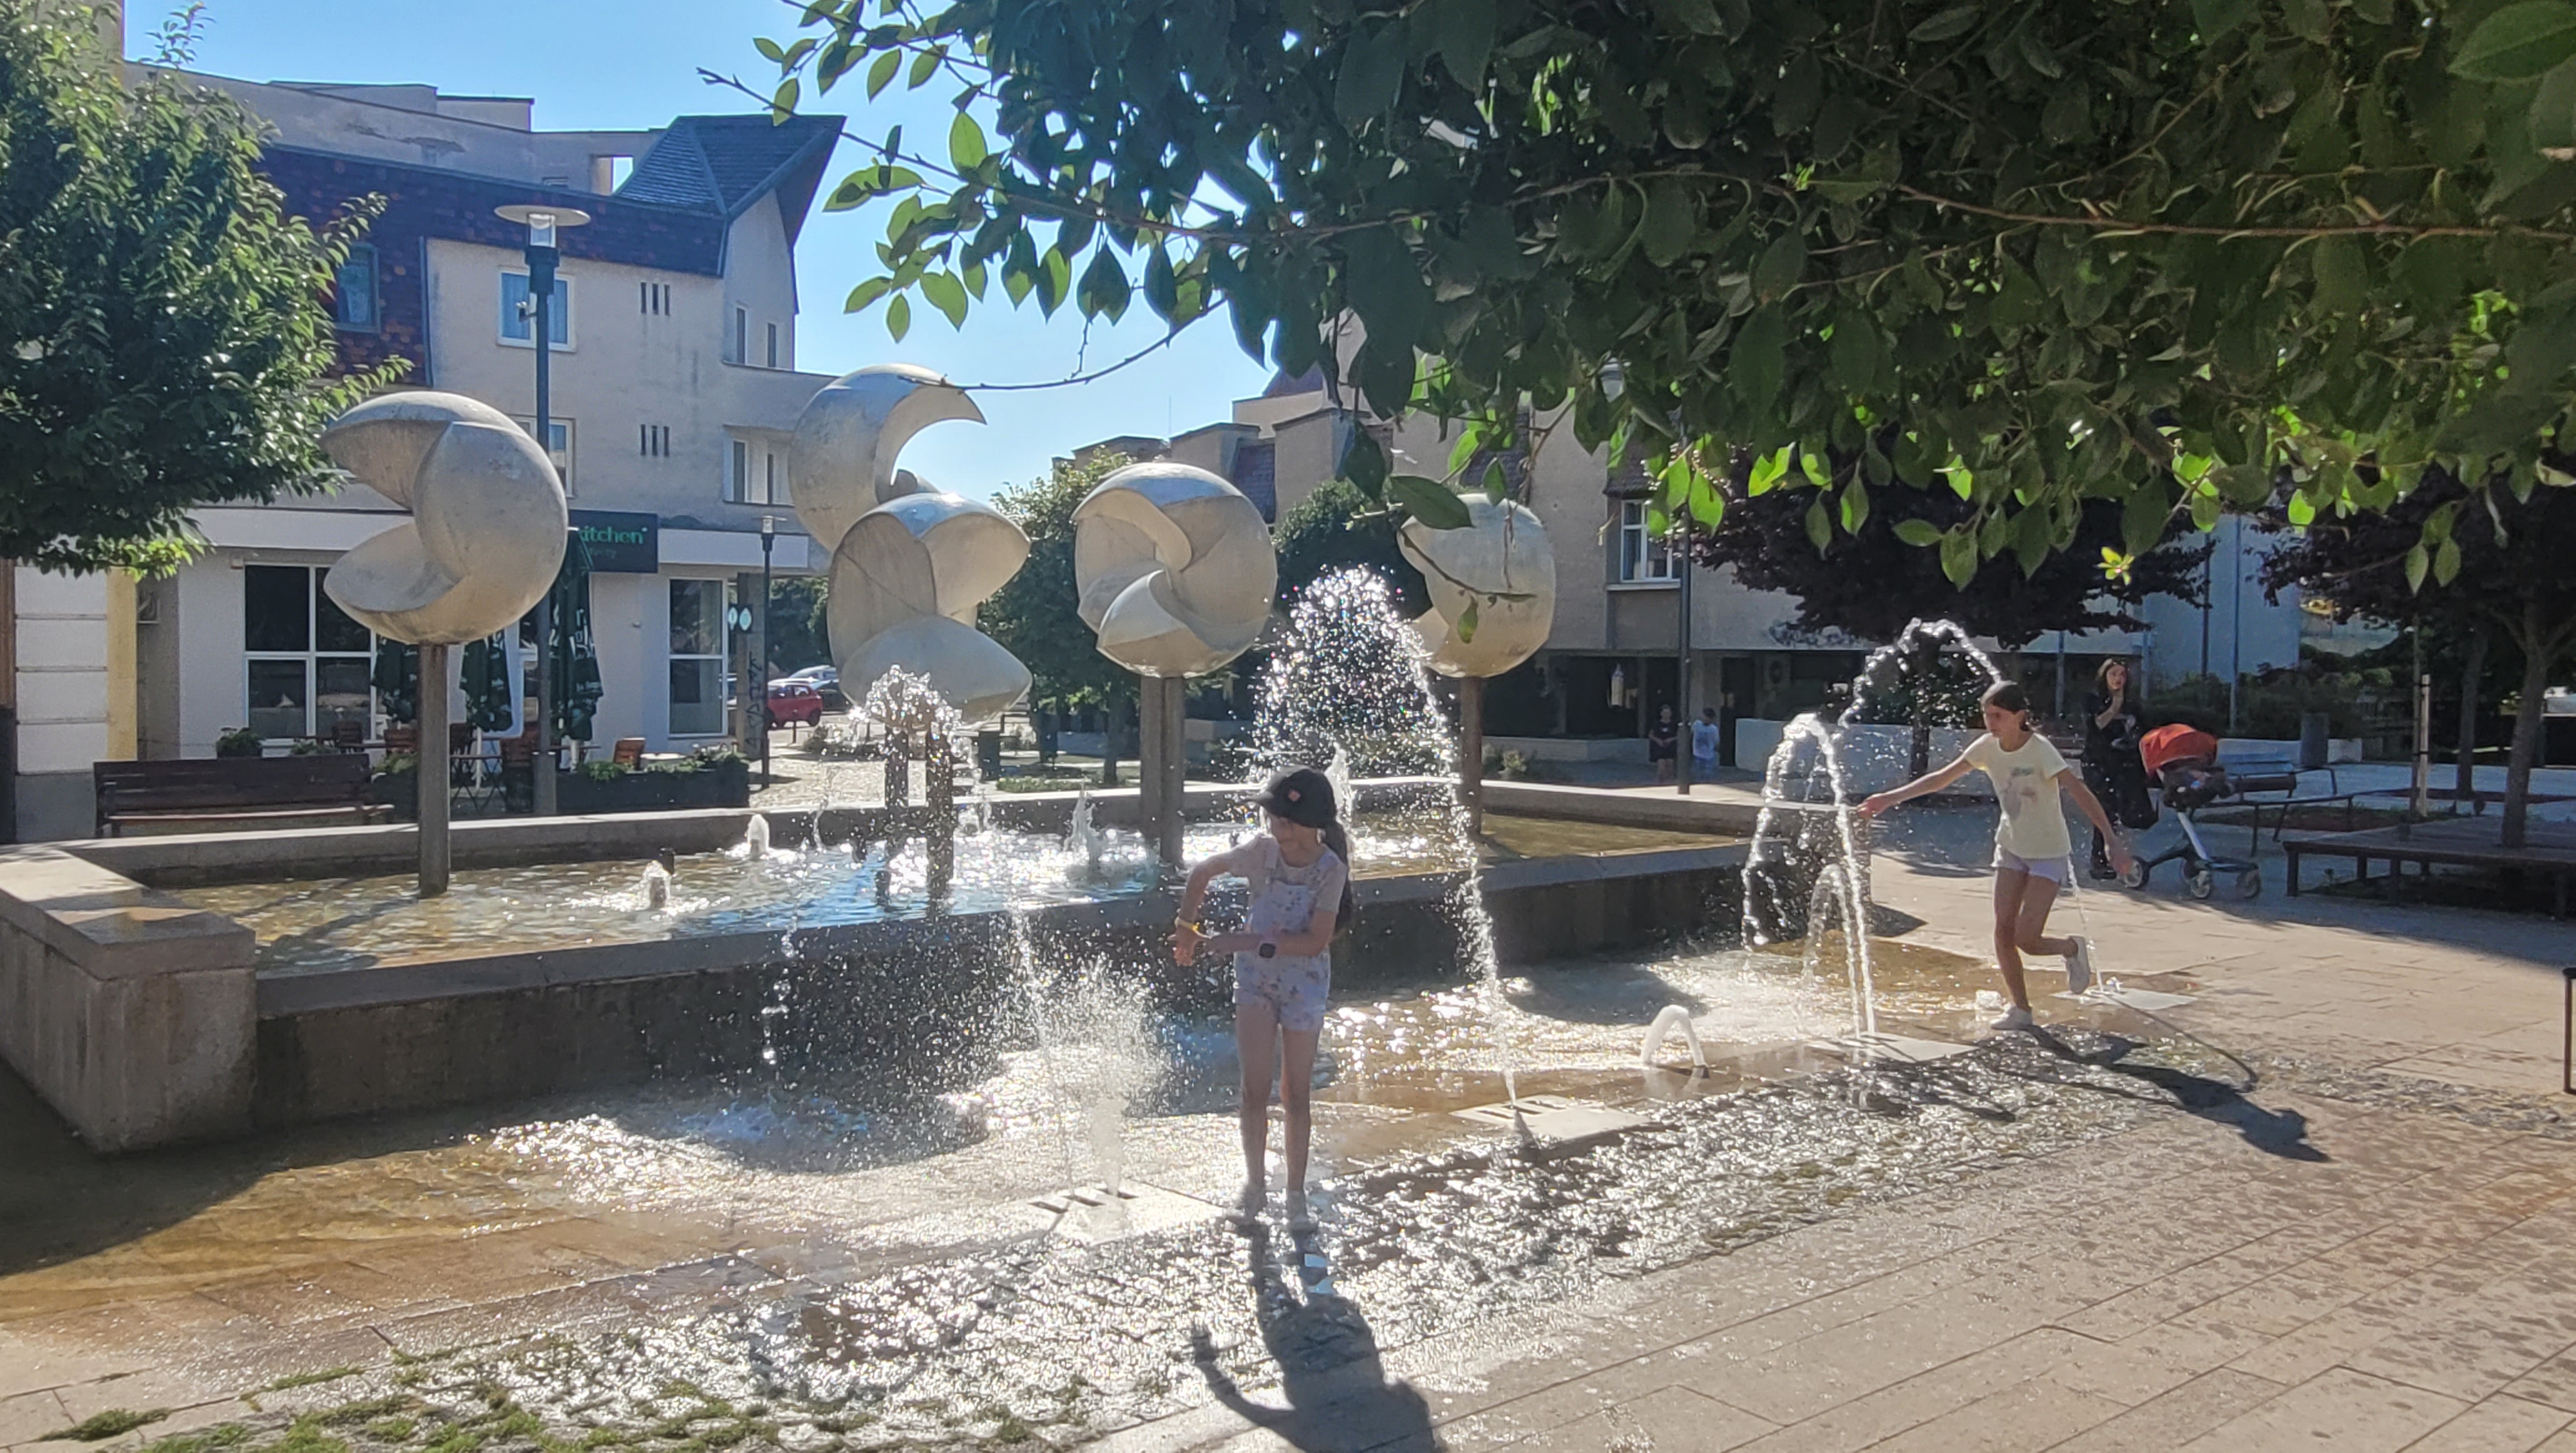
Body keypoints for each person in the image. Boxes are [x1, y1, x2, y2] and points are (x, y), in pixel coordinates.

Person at [1858, 682, 2134, 1031]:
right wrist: (1889, 798)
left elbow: (2079, 791)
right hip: (2011, 847)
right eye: (1987, 715)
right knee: (2003, 932)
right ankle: (2021, 1008)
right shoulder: (1987, 747)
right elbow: (1941, 778)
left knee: (2027, 939)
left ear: (2019, 716)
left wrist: (2111, 839)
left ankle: (2070, 949)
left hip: (2048, 852)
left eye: (1998, 716)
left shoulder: (2040, 750)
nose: (1990, 722)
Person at [1174, 766, 1352, 1229]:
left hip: (1304, 985)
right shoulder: (1261, 853)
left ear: (1312, 823)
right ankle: (1254, 1186)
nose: (1277, 827)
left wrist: (1248, 941)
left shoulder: (1330, 871)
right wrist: (1186, 927)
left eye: (1287, 820)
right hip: (1255, 983)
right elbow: (1203, 873)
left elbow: (1315, 940)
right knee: (1254, 1089)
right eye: (1274, 817)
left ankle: (1295, 1194)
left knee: (1295, 1093)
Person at [2081, 658, 2151, 880]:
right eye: (2113, 674)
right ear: (2104, 677)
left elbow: (2142, 730)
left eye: (2122, 675)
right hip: (2097, 762)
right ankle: (2098, 860)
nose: (2118, 679)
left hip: (2122, 762)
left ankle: (2117, 855)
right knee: (2105, 810)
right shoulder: (2094, 700)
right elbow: (2098, 724)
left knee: (2126, 810)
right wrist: (2115, 705)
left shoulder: (2132, 705)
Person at [1647, 705, 1680, 783]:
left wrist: (1671, 740)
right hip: (1659, 747)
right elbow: (1651, 735)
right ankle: (1661, 781)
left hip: (1670, 747)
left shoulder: (1674, 724)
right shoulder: (1656, 724)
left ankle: (1670, 781)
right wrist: (1657, 740)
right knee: (1662, 766)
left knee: (1670, 764)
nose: (1666, 715)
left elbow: (1680, 736)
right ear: (1661, 713)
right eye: (1665, 713)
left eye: (1668, 713)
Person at [1690, 707, 1722, 780]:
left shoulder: (1714, 729)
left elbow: (1716, 742)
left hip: (1709, 756)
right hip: (1697, 755)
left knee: (1708, 776)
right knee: (1697, 776)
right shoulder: (1697, 724)